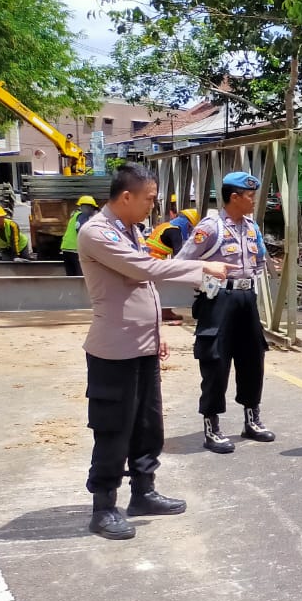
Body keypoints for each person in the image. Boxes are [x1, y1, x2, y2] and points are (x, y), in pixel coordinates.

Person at [77, 162, 231, 541]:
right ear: (126, 197)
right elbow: (141, 270)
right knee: (114, 428)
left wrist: (155, 329)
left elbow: (142, 288)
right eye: (149, 199)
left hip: (142, 345)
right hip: (114, 350)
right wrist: (202, 267)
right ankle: (104, 507)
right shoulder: (97, 232)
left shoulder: (130, 230)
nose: (152, 206)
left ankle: (143, 492)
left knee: (147, 424)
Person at [175, 171, 275, 453]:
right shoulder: (211, 227)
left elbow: (259, 260)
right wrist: (207, 283)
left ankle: (252, 420)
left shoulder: (252, 227)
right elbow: (182, 263)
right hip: (218, 299)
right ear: (234, 197)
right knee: (215, 361)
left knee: (253, 358)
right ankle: (212, 427)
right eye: (250, 196)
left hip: (246, 298)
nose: (254, 201)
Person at [60, 195, 98, 276]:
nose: (93, 211)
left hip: (66, 248)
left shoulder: (75, 215)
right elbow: (81, 230)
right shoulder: (82, 215)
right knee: (80, 276)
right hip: (75, 249)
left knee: (71, 277)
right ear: (88, 207)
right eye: (93, 208)